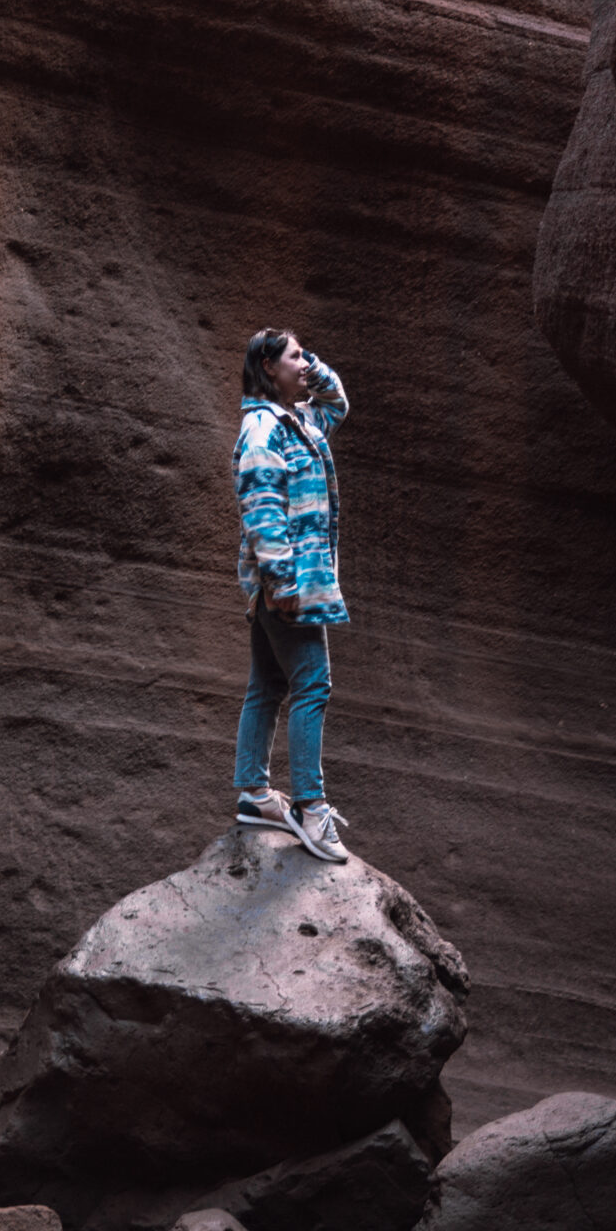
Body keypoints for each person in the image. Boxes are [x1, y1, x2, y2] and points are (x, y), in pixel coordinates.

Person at [231, 326, 350, 864]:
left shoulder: (299, 421)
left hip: (288, 584)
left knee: (268, 684)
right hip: (289, 586)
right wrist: (282, 584)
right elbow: (262, 512)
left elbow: (338, 403)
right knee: (313, 685)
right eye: (296, 357)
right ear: (268, 367)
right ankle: (310, 806)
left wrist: (311, 366)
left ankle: (255, 795)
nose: (307, 364)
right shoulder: (262, 431)